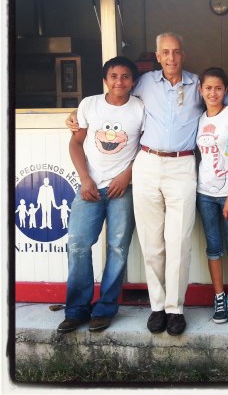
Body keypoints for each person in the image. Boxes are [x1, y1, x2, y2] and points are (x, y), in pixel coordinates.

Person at [66, 32, 228, 336]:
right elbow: (114, 96)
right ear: (157, 56)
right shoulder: (143, 82)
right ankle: (157, 307)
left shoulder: (197, 84)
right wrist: (78, 115)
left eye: (176, 52)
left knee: (178, 242)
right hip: (147, 163)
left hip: (182, 165)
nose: (171, 58)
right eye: (165, 52)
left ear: (183, 54)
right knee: (152, 243)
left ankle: (175, 309)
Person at [57, 56, 144, 334]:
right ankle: (77, 310)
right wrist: (84, 179)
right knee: (78, 245)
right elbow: (76, 143)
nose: (120, 81)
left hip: (124, 189)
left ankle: (105, 308)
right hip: (90, 188)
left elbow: (147, 146)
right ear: (105, 80)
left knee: (118, 249)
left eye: (126, 76)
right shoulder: (89, 105)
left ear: (133, 81)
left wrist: (125, 176)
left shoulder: (140, 108)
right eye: (114, 76)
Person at [196, 67, 228, 324]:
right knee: (213, 247)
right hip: (204, 192)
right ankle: (219, 296)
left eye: (218, 88)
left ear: (225, 90)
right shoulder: (199, 118)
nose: (212, 93)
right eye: (208, 88)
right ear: (200, 90)